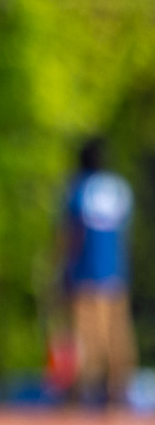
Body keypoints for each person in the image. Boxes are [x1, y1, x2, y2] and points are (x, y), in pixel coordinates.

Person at [59, 137, 137, 407]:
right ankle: (118, 392)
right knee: (117, 337)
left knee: (85, 337)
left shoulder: (78, 189)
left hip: (86, 274)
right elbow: (125, 235)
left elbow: (71, 234)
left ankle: (82, 393)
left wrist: (63, 271)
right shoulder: (119, 189)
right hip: (116, 275)